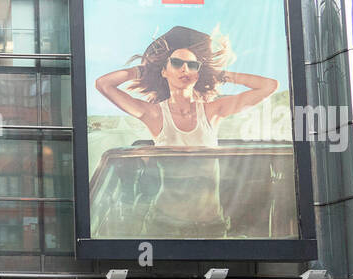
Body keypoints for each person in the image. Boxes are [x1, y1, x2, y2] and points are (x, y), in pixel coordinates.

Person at [93, 25, 279, 238]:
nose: (184, 69)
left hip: (211, 226)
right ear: (165, 71)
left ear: (197, 74)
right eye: (177, 63)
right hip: (164, 225)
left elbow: (269, 86)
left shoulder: (212, 112)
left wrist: (222, 75)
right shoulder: (155, 115)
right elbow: (103, 84)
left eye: (192, 65)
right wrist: (143, 71)